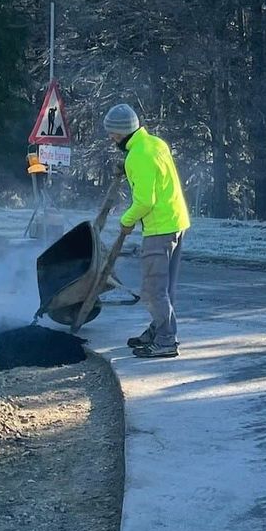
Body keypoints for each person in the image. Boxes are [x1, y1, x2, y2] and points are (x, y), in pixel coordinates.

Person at [105, 103, 191, 358]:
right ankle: (157, 329)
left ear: (122, 132)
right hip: (177, 222)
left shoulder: (137, 156)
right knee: (166, 288)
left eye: (113, 134)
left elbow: (144, 201)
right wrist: (125, 167)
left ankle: (166, 341)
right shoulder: (155, 144)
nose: (111, 138)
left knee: (153, 290)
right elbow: (153, 173)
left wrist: (126, 220)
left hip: (159, 229)